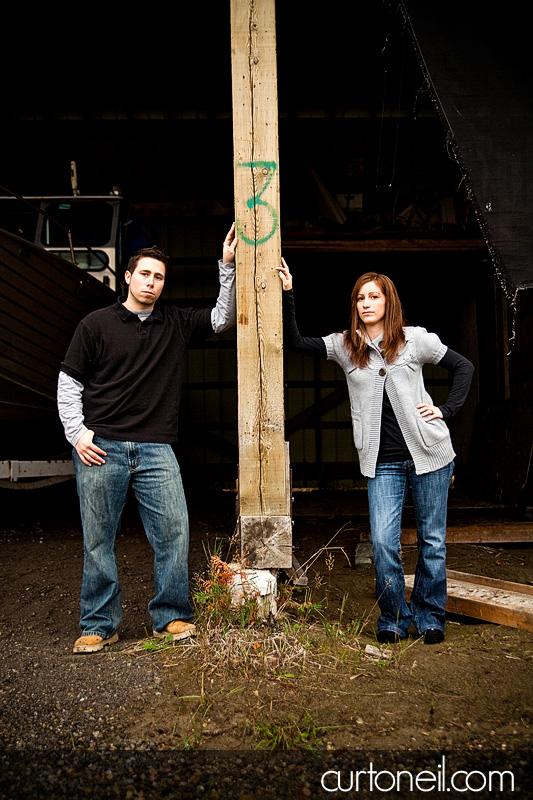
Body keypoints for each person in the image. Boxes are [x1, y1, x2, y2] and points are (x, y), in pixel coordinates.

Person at [58, 225, 237, 653]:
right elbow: (69, 381)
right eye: (145, 275)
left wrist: (226, 267)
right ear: (128, 276)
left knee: (174, 530)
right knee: (99, 538)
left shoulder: (174, 322)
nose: (152, 283)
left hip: (157, 448)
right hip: (102, 447)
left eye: (159, 277)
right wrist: (78, 434)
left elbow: (221, 318)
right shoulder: (95, 325)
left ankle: (171, 618)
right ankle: (99, 625)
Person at [278, 259, 474, 645]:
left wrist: (446, 410)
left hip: (430, 455)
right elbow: (296, 342)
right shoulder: (345, 346)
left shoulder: (414, 340)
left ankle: (431, 616)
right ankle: (394, 618)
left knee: (432, 541)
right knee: (384, 543)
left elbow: (463, 366)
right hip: (381, 463)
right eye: (360, 298)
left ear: (388, 302)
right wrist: (288, 293)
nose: (366, 303)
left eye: (374, 296)